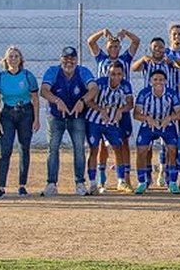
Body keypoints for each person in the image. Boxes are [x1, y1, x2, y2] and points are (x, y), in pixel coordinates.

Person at [40, 46, 98, 197]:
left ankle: (80, 183)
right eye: (66, 59)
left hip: (77, 116)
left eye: (72, 59)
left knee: (79, 148)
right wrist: (57, 100)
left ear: (76, 60)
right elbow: (44, 90)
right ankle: (51, 183)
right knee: (53, 148)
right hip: (56, 116)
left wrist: (82, 101)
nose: (69, 62)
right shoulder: (53, 71)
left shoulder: (83, 71)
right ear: (61, 59)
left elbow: (93, 89)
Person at [87, 27, 140, 190]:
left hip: (120, 106)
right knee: (101, 145)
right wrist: (102, 32)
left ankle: (125, 178)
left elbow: (136, 41)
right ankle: (101, 178)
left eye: (117, 46)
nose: (114, 49)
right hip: (101, 107)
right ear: (106, 47)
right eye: (111, 46)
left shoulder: (125, 59)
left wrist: (125, 33)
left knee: (122, 143)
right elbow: (90, 42)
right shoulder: (101, 58)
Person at [0, 46, 40, 199]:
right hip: (7, 114)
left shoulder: (27, 76)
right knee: (5, 149)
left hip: (25, 113)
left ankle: (22, 185)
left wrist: (36, 119)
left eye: (16, 56)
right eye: (10, 56)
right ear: (6, 60)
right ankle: (0, 186)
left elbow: (35, 98)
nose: (13, 59)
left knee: (24, 149)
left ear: (21, 59)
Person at [84, 61, 134, 195]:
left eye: (118, 74)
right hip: (94, 120)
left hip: (112, 122)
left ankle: (121, 181)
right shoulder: (99, 83)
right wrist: (100, 109)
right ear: (108, 73)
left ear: (123, 74)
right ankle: (94, 183)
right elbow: (88, 100)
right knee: (94, 149)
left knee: (118, 148)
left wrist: (121, 110)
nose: (115, 77)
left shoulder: (126, 86)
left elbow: (130, 104)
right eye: (113, 74)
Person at [133, 69, 180, 194]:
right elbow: (136, 114)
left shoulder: (171, 94)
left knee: (172, 149)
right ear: (150, 81)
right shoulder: (144, 93)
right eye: (155, 79)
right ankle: (142, 182)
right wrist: (147, 118)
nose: (158, 82)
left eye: (161, 79)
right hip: (149, 125)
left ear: (165, 81)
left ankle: (171, 182)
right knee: (141, 150)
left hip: (167, 125)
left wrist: (170, 118)